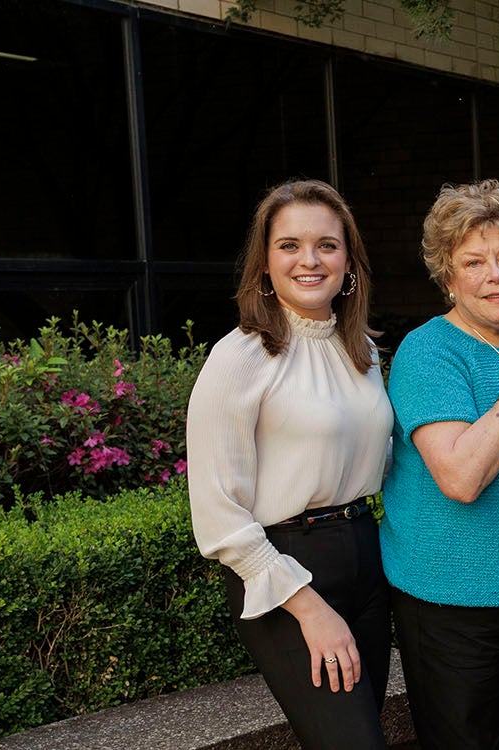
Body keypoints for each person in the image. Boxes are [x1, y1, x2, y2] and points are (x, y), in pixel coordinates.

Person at [187, 179, 392, 749]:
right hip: (287, 569)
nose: (310, 260)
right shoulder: (238, 358)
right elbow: (218, 513)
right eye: (289, 245)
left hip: (364, 553)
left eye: (327, 245)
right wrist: (310, 608)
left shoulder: (363, 351)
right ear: (264, 263)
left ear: (348, 261)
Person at [380, 179, 499, 749]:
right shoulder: (428, 351)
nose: (498, 274)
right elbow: (460, 477)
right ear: (448, 277)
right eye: (475, 261)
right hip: (452, 600)